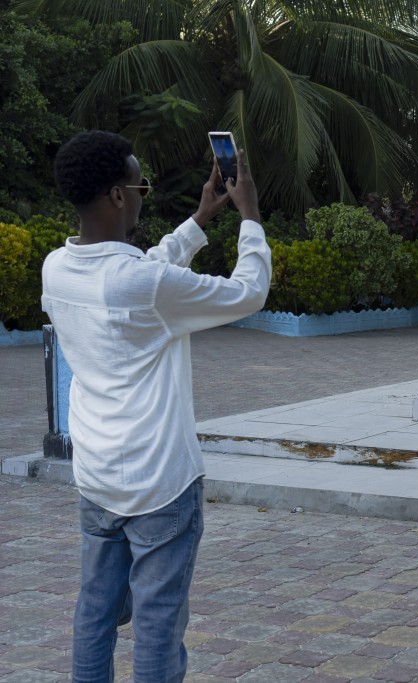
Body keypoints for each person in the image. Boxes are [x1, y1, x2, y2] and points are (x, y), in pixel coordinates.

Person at [42, 130, 271, 682]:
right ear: (119, 196)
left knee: (94, 613)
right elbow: (248, 292)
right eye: (140, 184)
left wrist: (197, 222)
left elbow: (141, 271)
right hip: (160, 484)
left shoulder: (57, 268)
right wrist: (250, 219)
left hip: (97, 476)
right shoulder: (141, 286)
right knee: (157, 625)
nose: (144, 194)